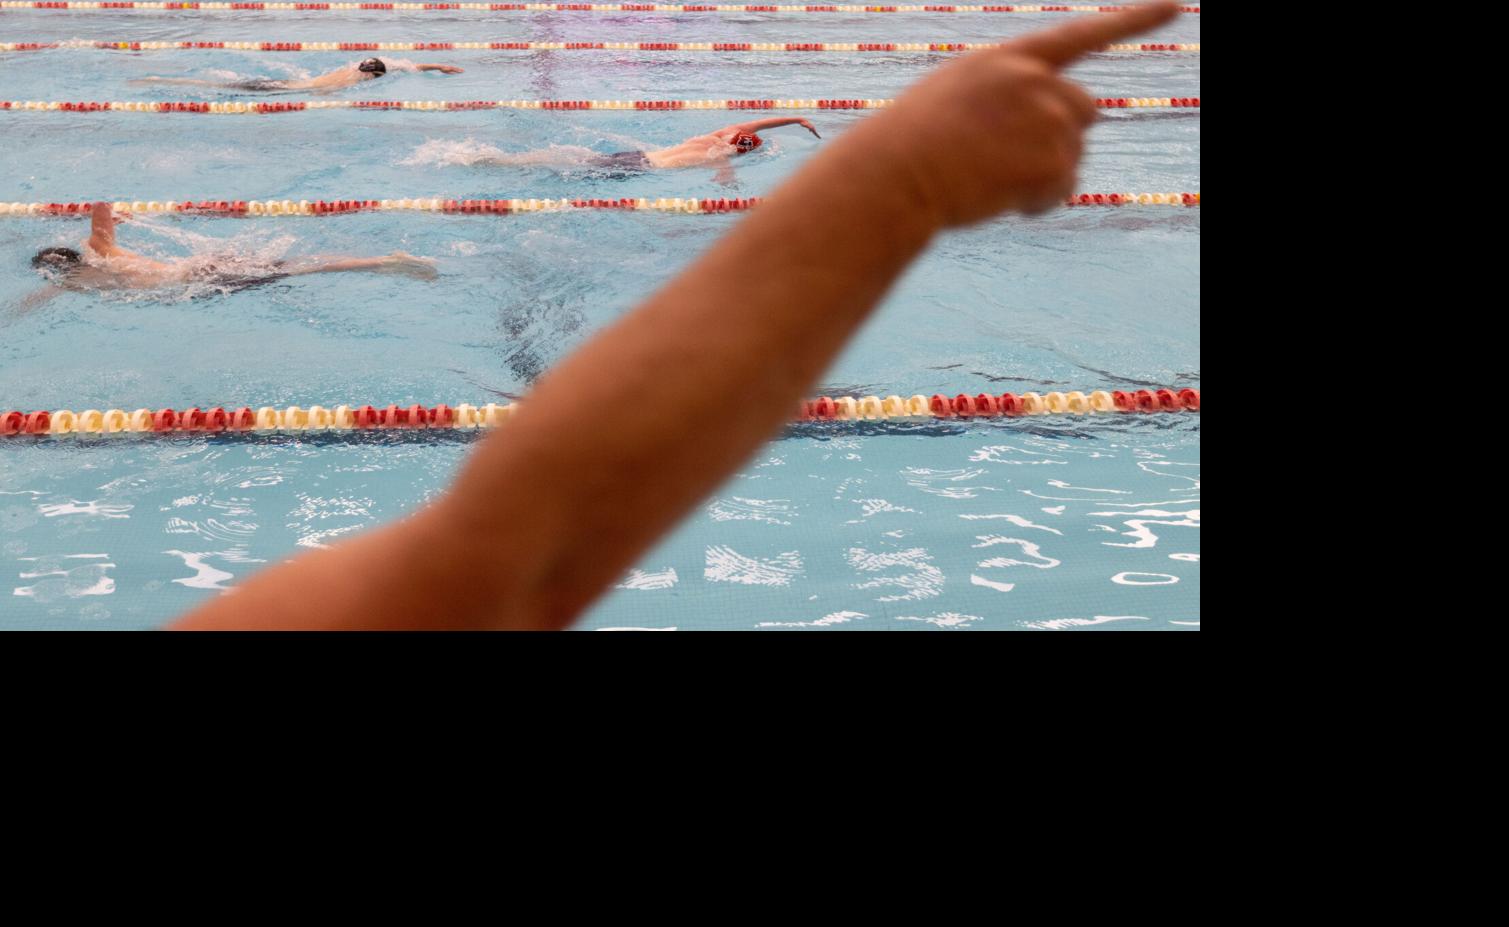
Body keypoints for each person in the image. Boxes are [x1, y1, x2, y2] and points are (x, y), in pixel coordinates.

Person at [170, 3, 1182, 631]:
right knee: (504, 176)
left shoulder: (709, 149)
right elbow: (520, 555)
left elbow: (509, 561)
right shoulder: (708, 144)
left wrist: (874, 173)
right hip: (619, 174)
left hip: (615, 175)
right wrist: (889, 184)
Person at [17, 202, 435, 311]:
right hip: (202, 270)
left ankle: (384, 262)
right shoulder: (103, 253)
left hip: (198, 281)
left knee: (302, 269)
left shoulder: (79, 280)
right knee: (299, 266)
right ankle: (381, 261)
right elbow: (101, 213)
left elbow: (38, 300)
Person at [460, 117, 821, 175]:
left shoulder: (713, 137)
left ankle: (502, 159)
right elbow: (724, 180)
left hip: (639, 156)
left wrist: (797, 118)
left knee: (580, 158)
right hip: (641, 170)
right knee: (573, 168)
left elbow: (754, 122)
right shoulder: (721, 156)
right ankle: (503, 163)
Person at [135, 57, 463, 93]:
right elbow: (416, 67)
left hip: (289, 84)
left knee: (220, 83)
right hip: (284, 89)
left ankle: (164, 80)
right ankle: (162, 81)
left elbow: (416, 66)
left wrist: (439, 67)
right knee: (216, 86)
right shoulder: (355, 79)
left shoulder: (355, 68)